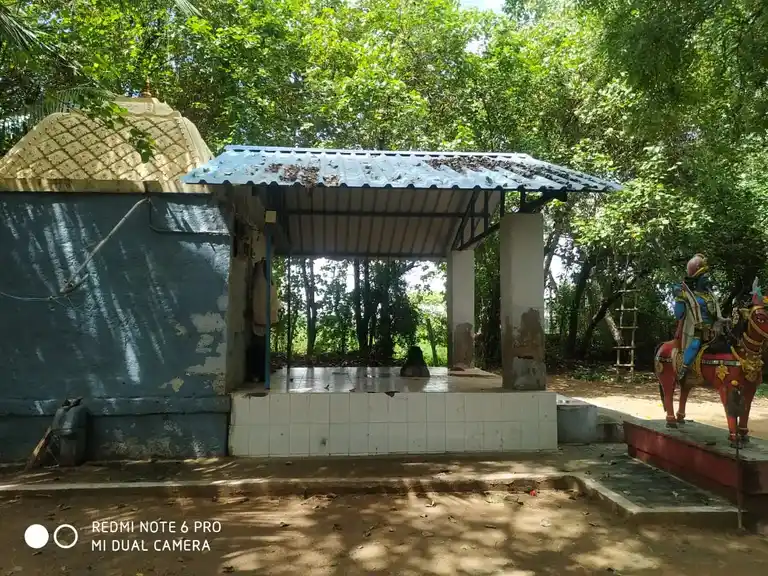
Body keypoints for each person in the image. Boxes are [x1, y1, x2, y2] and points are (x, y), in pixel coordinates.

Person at [671, 254, 727, 382]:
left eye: (707, 275)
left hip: (714, 332)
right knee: (695, 345)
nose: (707, 278)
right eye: (703, 276)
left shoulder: (712, 296)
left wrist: (723, 320)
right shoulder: (689, 296)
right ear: (697, 279)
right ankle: (683, 370)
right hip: (697, 331)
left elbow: (716, 314)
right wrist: (679, 298)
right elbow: (679, 315)